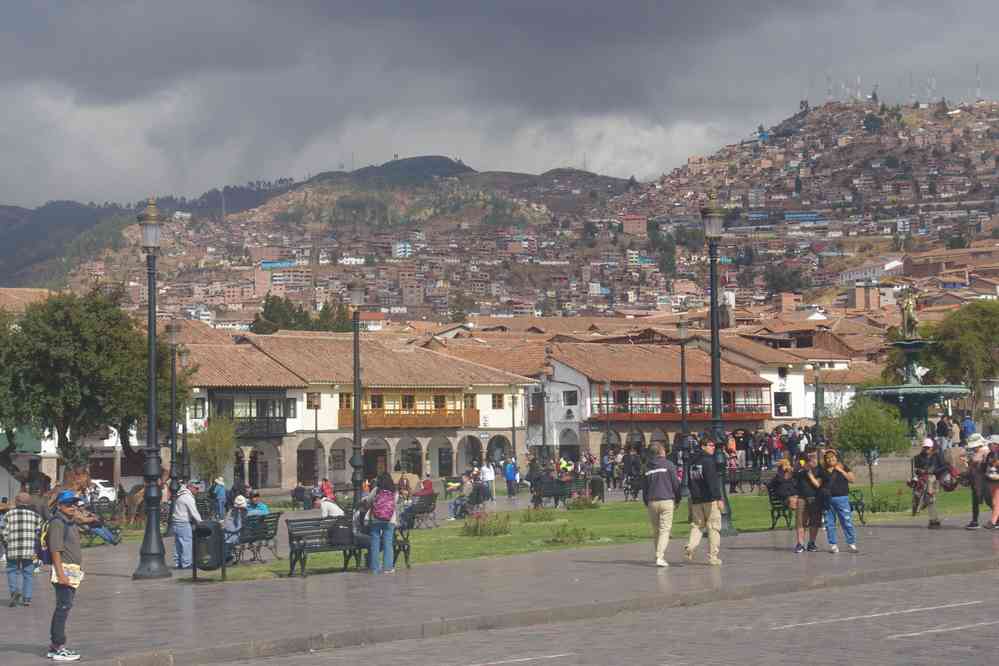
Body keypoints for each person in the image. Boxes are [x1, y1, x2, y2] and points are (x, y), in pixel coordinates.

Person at [48, 491, 84, 661]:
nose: (72, 507)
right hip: (64, 571)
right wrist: (61, 574)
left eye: (74, 504)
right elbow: (55, 549)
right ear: (60, 505)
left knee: (64, 606)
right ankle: (58, 646)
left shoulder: (69, 521)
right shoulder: (58, 522)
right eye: (68, 504)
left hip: (72, 571)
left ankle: (55, 646)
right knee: (63, 607)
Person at [684, 438, 724, 566]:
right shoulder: (708, 461)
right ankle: (713, 556)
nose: (713, 448)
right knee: (713, 527)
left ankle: (690, 546)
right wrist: (718, 498)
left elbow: (689, 481)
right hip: (709, 500)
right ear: (703, 446)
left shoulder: (691, 462)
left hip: (696, 500)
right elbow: (712, 482)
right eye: (711, 445)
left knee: (697, 525)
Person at [642, 444, 681, 567]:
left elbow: (645, 488)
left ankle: (658, 554)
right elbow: (675, 483)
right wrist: (678, 499)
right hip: (666, 499)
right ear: (661, 452)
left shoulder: (647, 467)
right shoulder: (669, 465)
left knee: (656, 530)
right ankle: (660, 556)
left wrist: (646, 502)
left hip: (652, 501)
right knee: (665, 529)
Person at [3, 492, 43, 608]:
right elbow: (38, 533)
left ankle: (15, 592)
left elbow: (3, 533)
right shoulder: (36, 516)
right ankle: (27, 598)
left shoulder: (8, 515)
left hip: (12, 549)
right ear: (28, 502)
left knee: (12, 571)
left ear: (16, 501)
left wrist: (7, 544)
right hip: (29, 550)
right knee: (28, 573)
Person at [818, 450, 857, 553]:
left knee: (847, 521)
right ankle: (833, 544)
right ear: (825, 460)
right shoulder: (822, 470)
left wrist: (841, 470)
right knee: (829, 523)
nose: (831, 459)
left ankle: (851, 543)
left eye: (833, 457)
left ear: (836, 457)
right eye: (828, 458)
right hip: (828, 500)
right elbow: (819, 485)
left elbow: (852, 479)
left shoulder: (843, 467)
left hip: (842, 498)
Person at [366, 473, 397, 574]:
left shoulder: (376, 490)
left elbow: (369, 501)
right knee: (388, 543)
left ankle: (375, 568)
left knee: (375, 543)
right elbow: (395, 504)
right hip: (390, 520)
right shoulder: (394, 491)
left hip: (376, 519)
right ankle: (387, 568)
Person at [912, 438, 946, 529]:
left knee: (930, 499)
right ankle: (934, 520)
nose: (927, 449)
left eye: (928, 447)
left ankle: (934, 520)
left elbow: (943, 467)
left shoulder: (937, 456)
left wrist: (934, 471)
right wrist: (921, 471)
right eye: (925, 447)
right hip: (922, 481)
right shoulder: (917, 458)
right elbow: (915, 470)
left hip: (934, 480)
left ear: (931, 448)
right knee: (927, 499)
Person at [794, 453, 822, 553]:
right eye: (810, 458)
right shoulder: (800, 469)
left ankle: (811, 543)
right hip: (802, 497)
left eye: (814, 458)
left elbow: (818, 484)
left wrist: (809, 473)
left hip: (815, 498)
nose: (812, 460)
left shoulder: (819, 470)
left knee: (814, 521)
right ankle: (800, 543)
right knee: (800, 521)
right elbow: (793, 478)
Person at [171, 483, 202, 569]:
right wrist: (201, 522)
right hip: (183, 522)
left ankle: (178, 563)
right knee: (187, 543)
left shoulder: (180, 495)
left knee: (178, 543)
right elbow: (194, 512)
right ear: (190, 487)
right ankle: (187, 563)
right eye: (196, 488)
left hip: (176, 521)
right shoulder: (188, 497)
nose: (197, 490)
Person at [767, 459, 798, 547]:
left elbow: (796, 485)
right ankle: (800, 522)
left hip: (793, 497)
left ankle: (801, 521)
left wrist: (791, 473)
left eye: (788, 464)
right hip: (784, 500)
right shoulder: (778, 476)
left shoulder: (792, 476)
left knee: (799, 499)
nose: (788, 466)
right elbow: (770, 485)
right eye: (786, 464)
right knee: (794, 500)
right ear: (781, 466)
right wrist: (784, 474)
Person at [964, 434, 988, 529]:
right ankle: (974, 521)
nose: (973, 448)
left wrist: (973, 463)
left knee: (989, 500)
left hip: (984, 480)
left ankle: (996, 519)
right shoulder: (977, 452)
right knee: (975, 500)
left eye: (974, 446)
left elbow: (984, 465)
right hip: (976, 480)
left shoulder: (985, 451)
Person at [223, 495, 247, 563]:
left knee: (225, 536)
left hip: (238, 536)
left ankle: (226, 557)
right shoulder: (247, 512)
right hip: (247, 535)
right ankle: (228, 556)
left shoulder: (233, 512)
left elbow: (226, 525)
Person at [986, 436, 999, 530]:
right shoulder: (990, 454)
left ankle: (993, 521)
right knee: (993, 501)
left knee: (996, 502)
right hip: (991, 479)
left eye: (991, 444)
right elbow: (987, 465)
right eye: (989, 444)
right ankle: (996, 520)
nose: (990, 445)